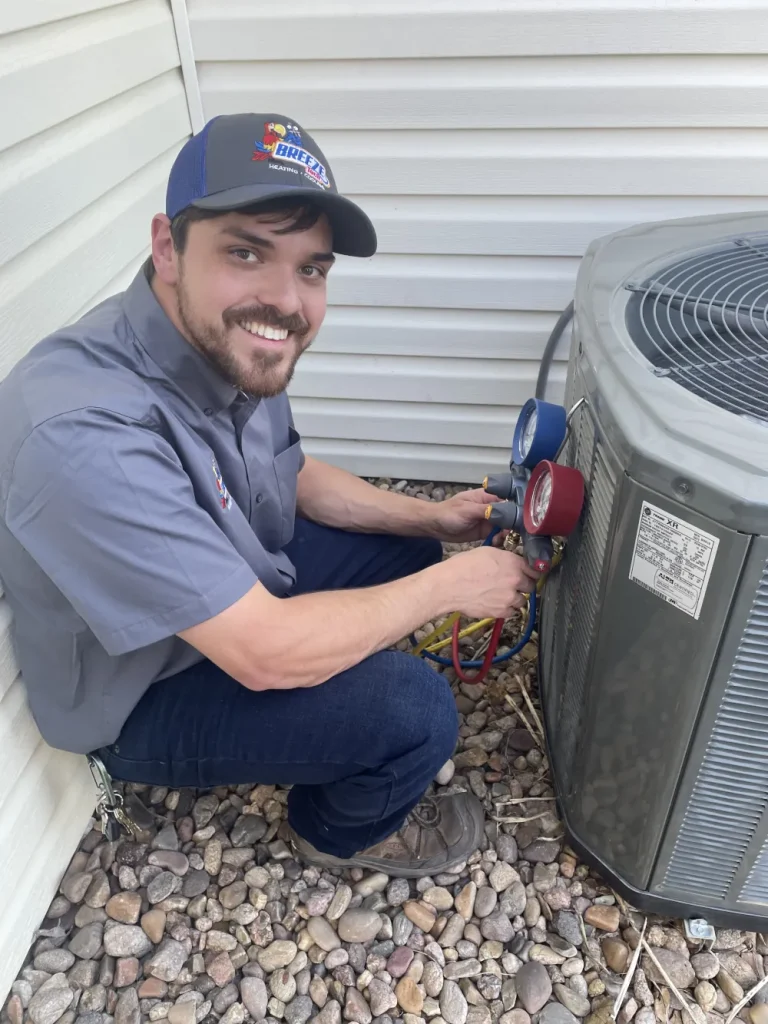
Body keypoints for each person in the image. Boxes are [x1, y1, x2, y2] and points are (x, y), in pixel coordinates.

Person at [0, 113, 539, 877]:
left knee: (408, 551)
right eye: (247, 252)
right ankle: (338, 831)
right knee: (415, 712)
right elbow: (259, 650)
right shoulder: (83, 435)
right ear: (167, 248)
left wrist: (433, 520)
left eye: (311, 269)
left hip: (227, 593)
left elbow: (290, 473)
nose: (286, 302)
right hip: (143, 692)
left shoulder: (217, 340)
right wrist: (452, 586)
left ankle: (335, 684)